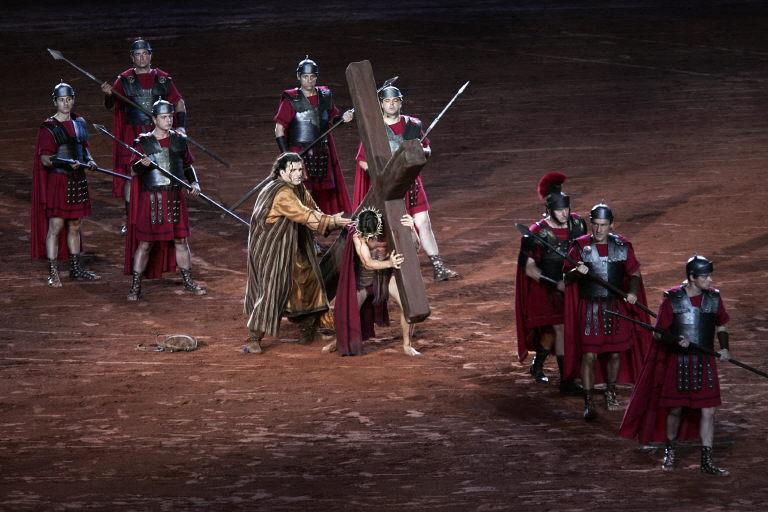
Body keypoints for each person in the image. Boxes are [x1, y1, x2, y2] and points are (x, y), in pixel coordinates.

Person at [620, 255, 731, 476]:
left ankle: (706, 460)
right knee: (676, 410)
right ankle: (670, 449)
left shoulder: (714, 298)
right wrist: (676, 340)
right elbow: (659, 333)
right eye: (705, 276)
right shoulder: (672, 299)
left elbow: (721, 326)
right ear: (691, 277)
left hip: (704, 362)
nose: (709, 280)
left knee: (708, 411)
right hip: (679, 363)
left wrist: (725, 348)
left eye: (709, 275)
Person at [243, 152, 351, 354]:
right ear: (282, 172)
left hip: (293, 244)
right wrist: (333, 222)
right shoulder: (282, 193)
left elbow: (312, 210)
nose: (299, 173)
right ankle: (253, 337)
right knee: (273, 289)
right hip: (272, 249)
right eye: (294, 170)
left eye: (301, 169)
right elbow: (304, 214)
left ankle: (307, 329)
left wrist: (328, 220)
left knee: (307, 279)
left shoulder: (298, 188)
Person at [352, 85, 458, 282]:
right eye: (387, 101)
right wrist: (383, 176)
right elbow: (362, 160)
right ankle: (393, 270)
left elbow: (427, 150)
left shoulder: (413, 126)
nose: (391, 104)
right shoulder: (374, 129)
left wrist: (420, 154)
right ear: (382, 104)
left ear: (400, 102)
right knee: (395, 229)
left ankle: (438, 266)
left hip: (412, 183)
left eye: (395, 101)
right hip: (389, 187)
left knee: (423, 223)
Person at [563, 203, 652, 421]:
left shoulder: (622, 246)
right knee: (589, 356)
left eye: (603, 225)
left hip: (614, 307)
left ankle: (611, 391)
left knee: (614, 353)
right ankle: (589, 400)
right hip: (590, 309)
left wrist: (632, 292)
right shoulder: (580, 247)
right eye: (595, 225)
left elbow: (634, 274)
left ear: (611, 224)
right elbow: (566, 278)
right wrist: (577, 270)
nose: (599, 230)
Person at [101, 38, 186, 234]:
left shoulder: (163, 79)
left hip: (158, 133)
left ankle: (162, 218)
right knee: (132, 175)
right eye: (137, 54)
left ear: (150, 55)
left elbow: (179, 103)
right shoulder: (123, 80)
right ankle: (130, 221)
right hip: (133, 134)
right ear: (132, 57)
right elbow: (111, 105)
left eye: (144, 53)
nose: (141, 57)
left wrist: (181, 128)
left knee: (162, 173)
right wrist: (108, 94)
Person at [125, 100, 204, 301]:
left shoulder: (179, 140)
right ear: (154, 119)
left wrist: (194, 183)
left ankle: (188, 282)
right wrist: (143, 165)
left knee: (181, 240)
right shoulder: (143, 142)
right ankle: (135, 287)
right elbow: (133, 171)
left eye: (170, 116)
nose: (168, 120)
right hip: (152, 199)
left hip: (174, 197)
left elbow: (187, 166)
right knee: (144, 244)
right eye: (164, 117)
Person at [515, 172, 585, 393]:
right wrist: (555, 284)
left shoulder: (578, 224)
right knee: (558, 328)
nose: (564, 214)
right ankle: (566, 380)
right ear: (549, 209)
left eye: (566, 209)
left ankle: (538, 364)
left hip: (573, 284)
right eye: (559, 210)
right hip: (545, 287)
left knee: (555, 332)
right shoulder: (537, 233)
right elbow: (529, 268)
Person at [31, 82, 100, 286]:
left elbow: (83, 147)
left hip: (77, 181)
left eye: (69, 99)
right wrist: (68, 163)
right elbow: (45, 159)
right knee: (56, 225)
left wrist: (91, 161)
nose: (66, 103)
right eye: (61, 100)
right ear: (55, 101)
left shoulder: (79, 122)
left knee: (75, 225)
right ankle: (53, 272)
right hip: (59, 181)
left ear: (73, 99)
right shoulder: (49, 127)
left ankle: (76, 269)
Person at [326, 207, 421, 357]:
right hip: (365, 279)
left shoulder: (391, 228)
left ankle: (407, 345)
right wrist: (390, 263)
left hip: (386, 276)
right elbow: (368, 263)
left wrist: (411, 230)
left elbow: (415, 248)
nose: (370, 239)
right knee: (346, 312)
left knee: (408, 306)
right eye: (366, 236)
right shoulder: (357, 234)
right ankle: (339, 340)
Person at [273, 57, 353, 215]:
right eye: (305, 77)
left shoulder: (325, 96)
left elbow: (333, 119)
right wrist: (287, 156)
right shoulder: (291, 99)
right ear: (299, 77)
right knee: (301, 193)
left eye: (312, 77)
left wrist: (343, 119)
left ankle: (321, 224)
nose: (309, 80)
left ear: (316, 77)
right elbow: (279, 128)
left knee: (322, 196)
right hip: (299, 152)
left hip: (321, 152)